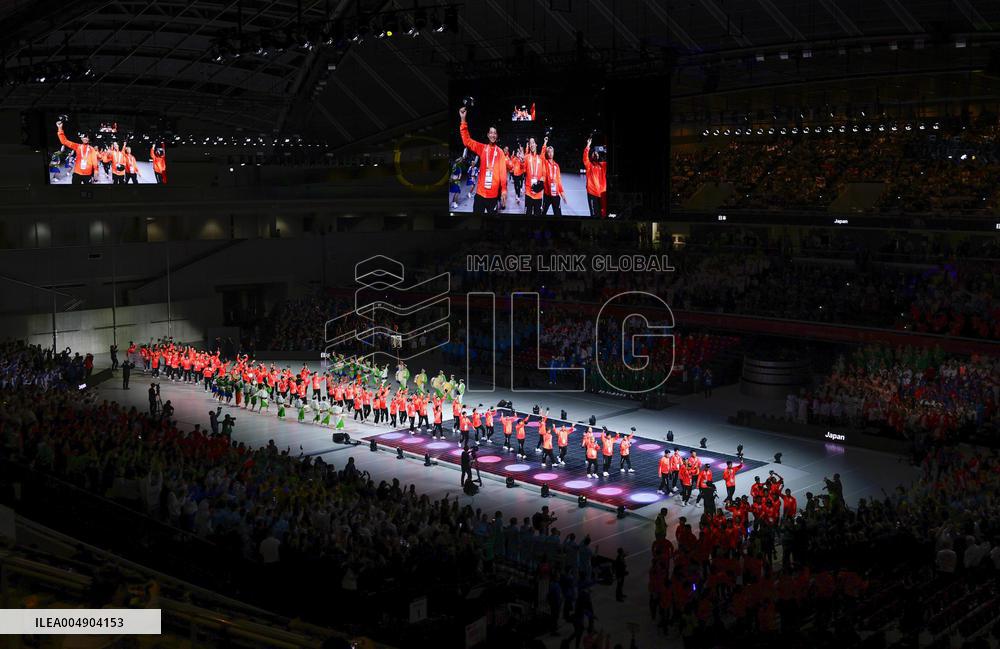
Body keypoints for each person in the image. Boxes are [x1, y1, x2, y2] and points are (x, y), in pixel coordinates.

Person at [458, 106, 507, 214]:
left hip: (493, 196)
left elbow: (503, 173)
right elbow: (467, 141)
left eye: (495, 133)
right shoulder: (482, 148)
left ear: (497, 135)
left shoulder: (500, 152)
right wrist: (463, 120)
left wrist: (503, 190)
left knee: (491, 225)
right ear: (488, 135)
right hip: (480, 194)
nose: (493, 135)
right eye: (491, 132)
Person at [56, 120, 100, 184]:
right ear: (81, 138)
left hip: (88, 175)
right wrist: (60, 128)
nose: (86, 139)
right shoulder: (77, 146)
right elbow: (64, 141)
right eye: (84, 137)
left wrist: (96, 171)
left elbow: (94, 162)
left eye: (87, 138)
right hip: (77, 173)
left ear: (89, 139)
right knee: (75, 191)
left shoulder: (91, 149)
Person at [583, 137, 607, 218]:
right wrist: (588, 145)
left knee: (603, 214)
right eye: (593, 153)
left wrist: (605, 149)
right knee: (594, 216)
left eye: (596, 153)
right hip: (592, 193)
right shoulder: (589, 165)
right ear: (591, 156)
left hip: (602, 194)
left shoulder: (603, 165)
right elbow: (585, 157)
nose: (595, 154)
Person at [541, 146, 568, 216]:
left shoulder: (557, 166)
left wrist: (562, 194)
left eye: (551, 152)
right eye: (548, 152)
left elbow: (559, 181)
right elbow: (542, 156)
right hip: (547, 195)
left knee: (558, 216)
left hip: (556, 195)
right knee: (542, 214)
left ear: (553, 153)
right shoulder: (545, 163)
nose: (550, 153)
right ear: (547, 153)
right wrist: (544, 145)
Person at [523, 136, 546, 216]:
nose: (531, 145)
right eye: (530, 143)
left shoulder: (541, 158)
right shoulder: (526, 158)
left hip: (538, 195)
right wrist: (520, 162)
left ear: (536, 144)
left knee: (538, 219)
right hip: (528, 194)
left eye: (533, 143)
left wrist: (540, 185)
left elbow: (544, 175)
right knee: (527, 217)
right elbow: (522, 169)